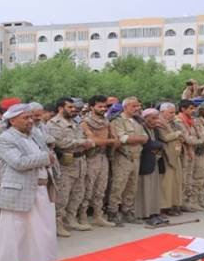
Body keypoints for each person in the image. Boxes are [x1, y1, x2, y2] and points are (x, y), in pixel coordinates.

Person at [0, 103, 56, 261]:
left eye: (31, 117)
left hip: (40, 190)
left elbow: (49, 149)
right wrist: (46, 157)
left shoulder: (36, 134)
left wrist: (48, 156)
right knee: (12, 236)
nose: (31, 121)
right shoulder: (6, 138)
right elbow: (18, 162)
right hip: (17, 192)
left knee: (42, 234)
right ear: (12, 120)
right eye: (26, 118)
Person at [47, 97, 94, 236]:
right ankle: (57, 223)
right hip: (66, 163)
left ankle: (71, 219)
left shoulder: (75, 122)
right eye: (70, 107)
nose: (74, 110)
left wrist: (83, 142)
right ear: (61, 108)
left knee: (78, 193)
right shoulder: (53, 124)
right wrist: (82, 142)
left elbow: (85, 136)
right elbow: (60, 142)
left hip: (80, 161)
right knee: (62, 196)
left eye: (74, 107)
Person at [108, 97, 148, 224]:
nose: (137, 108)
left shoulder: (137, 121)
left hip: (136, 157)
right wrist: (139, 138)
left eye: (138, 106)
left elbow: (146, 138)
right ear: (125, 107)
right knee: (118, 186)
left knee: (132, 187)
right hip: (123, 158)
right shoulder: (118, 121)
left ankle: (127, 211)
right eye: (134, 106)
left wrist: (135, 138)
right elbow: (123, 139)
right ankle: (113, 212)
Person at [80, 95, 118, 227]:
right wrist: (110, 141)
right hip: (91, 158)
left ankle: (98, 215)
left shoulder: (107, 122)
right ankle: (83, 216)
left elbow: (115, 139)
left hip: (103, 157)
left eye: (104, 106)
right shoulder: (85, 122)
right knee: (88, 188)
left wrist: (109, 141)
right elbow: (93, 141)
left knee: (101, 188)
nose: (103, 109)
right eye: (99, 106)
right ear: (92, 107)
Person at [134, 108, 166, 225]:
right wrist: (158, 145)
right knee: (144, 189)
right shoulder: (141, 128)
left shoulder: (155, 130)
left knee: (153, 189)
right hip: (144, 161)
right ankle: (144, 214)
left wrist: (157, 145)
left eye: (157, 118)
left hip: (154, 161)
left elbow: (157, 143)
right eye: (153, 118)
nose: (156, 121)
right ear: (145, 118)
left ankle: (154, 212)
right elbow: (147, 145)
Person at [175, 100, 203, 211]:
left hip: (191, 151)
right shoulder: (179, 121)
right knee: (183, 178)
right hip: (184, 153)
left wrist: (198, 140)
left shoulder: (190, 121)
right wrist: (201, 141)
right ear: (183, 109)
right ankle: (180, 203)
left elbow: (196, 135)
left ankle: (187, 202)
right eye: (191, 108)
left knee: (189, 178)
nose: (193, 111)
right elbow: (188, 139)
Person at [156, 103, 184, 216]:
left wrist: (177, 134)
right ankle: (163, 207)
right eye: (171, 112)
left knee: (176, 182)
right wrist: (177, 134)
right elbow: (165, 137)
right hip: (166, 156)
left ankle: (173, 205)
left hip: (176, 155)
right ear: (162, 112)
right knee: (166, 183)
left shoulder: (173, 124)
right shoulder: (159, 123)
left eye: (174, 112)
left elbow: (182, 136)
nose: (173, 115)